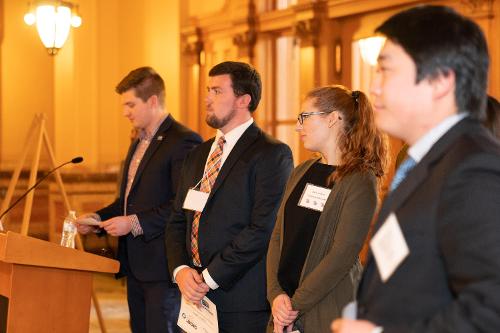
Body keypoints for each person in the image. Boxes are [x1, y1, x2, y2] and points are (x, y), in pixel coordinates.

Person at [331, 5, 500, 333]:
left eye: (386, 71)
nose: (374, 86)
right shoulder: (428, 160)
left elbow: (491, 309)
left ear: (440, 81)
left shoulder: (473, 168)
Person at [166, 61, 293, 333]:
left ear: (243, 100)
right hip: (192, 295)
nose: (207, 99)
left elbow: (262, 229)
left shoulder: (272, 154)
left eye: (216, 91)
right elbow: (177, 219)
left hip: (240, 298)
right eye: (208, 91)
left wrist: (208, 278)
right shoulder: (198, 155)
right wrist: (181, 270)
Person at [75, 67, 202, 333]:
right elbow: (127, 201)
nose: (125, 112)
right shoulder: (138, 141)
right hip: (134, 266)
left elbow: (183, 206)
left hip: (163, 268)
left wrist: (133, 223)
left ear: (153, 101)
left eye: (130, 104)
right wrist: (98, 219)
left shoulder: (184, 141)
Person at [266, 85, 387, 333]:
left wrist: (293, 306)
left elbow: (341, 255)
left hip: (327, 309)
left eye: (304, 117)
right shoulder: (302, 171)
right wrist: (276, 295)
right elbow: (278, 235)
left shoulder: (360, 180)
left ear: (332, 119)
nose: (298, 126)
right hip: (283, 309)